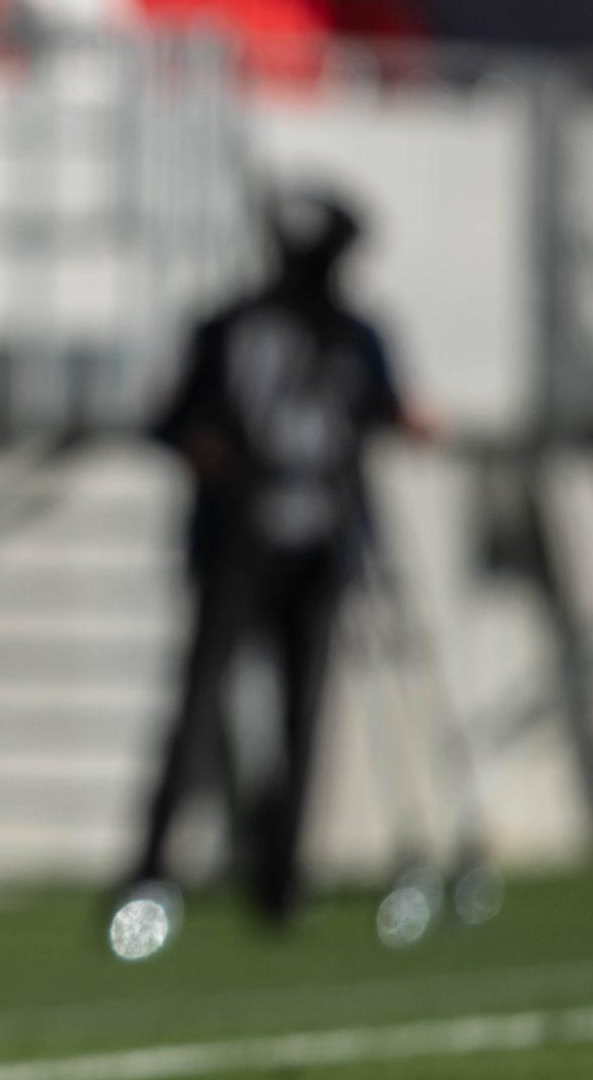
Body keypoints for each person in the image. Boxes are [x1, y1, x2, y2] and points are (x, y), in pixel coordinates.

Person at [117, 188, 432, 950]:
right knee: (199, 710)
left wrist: (406, 420)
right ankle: (152, 870)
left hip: (321, 548)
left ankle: (281, 875)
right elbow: (169, 418)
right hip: (236, 545)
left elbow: (390, 407)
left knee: (303, 715)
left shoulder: (354, 334)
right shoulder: (228, 327)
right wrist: (203, 445)